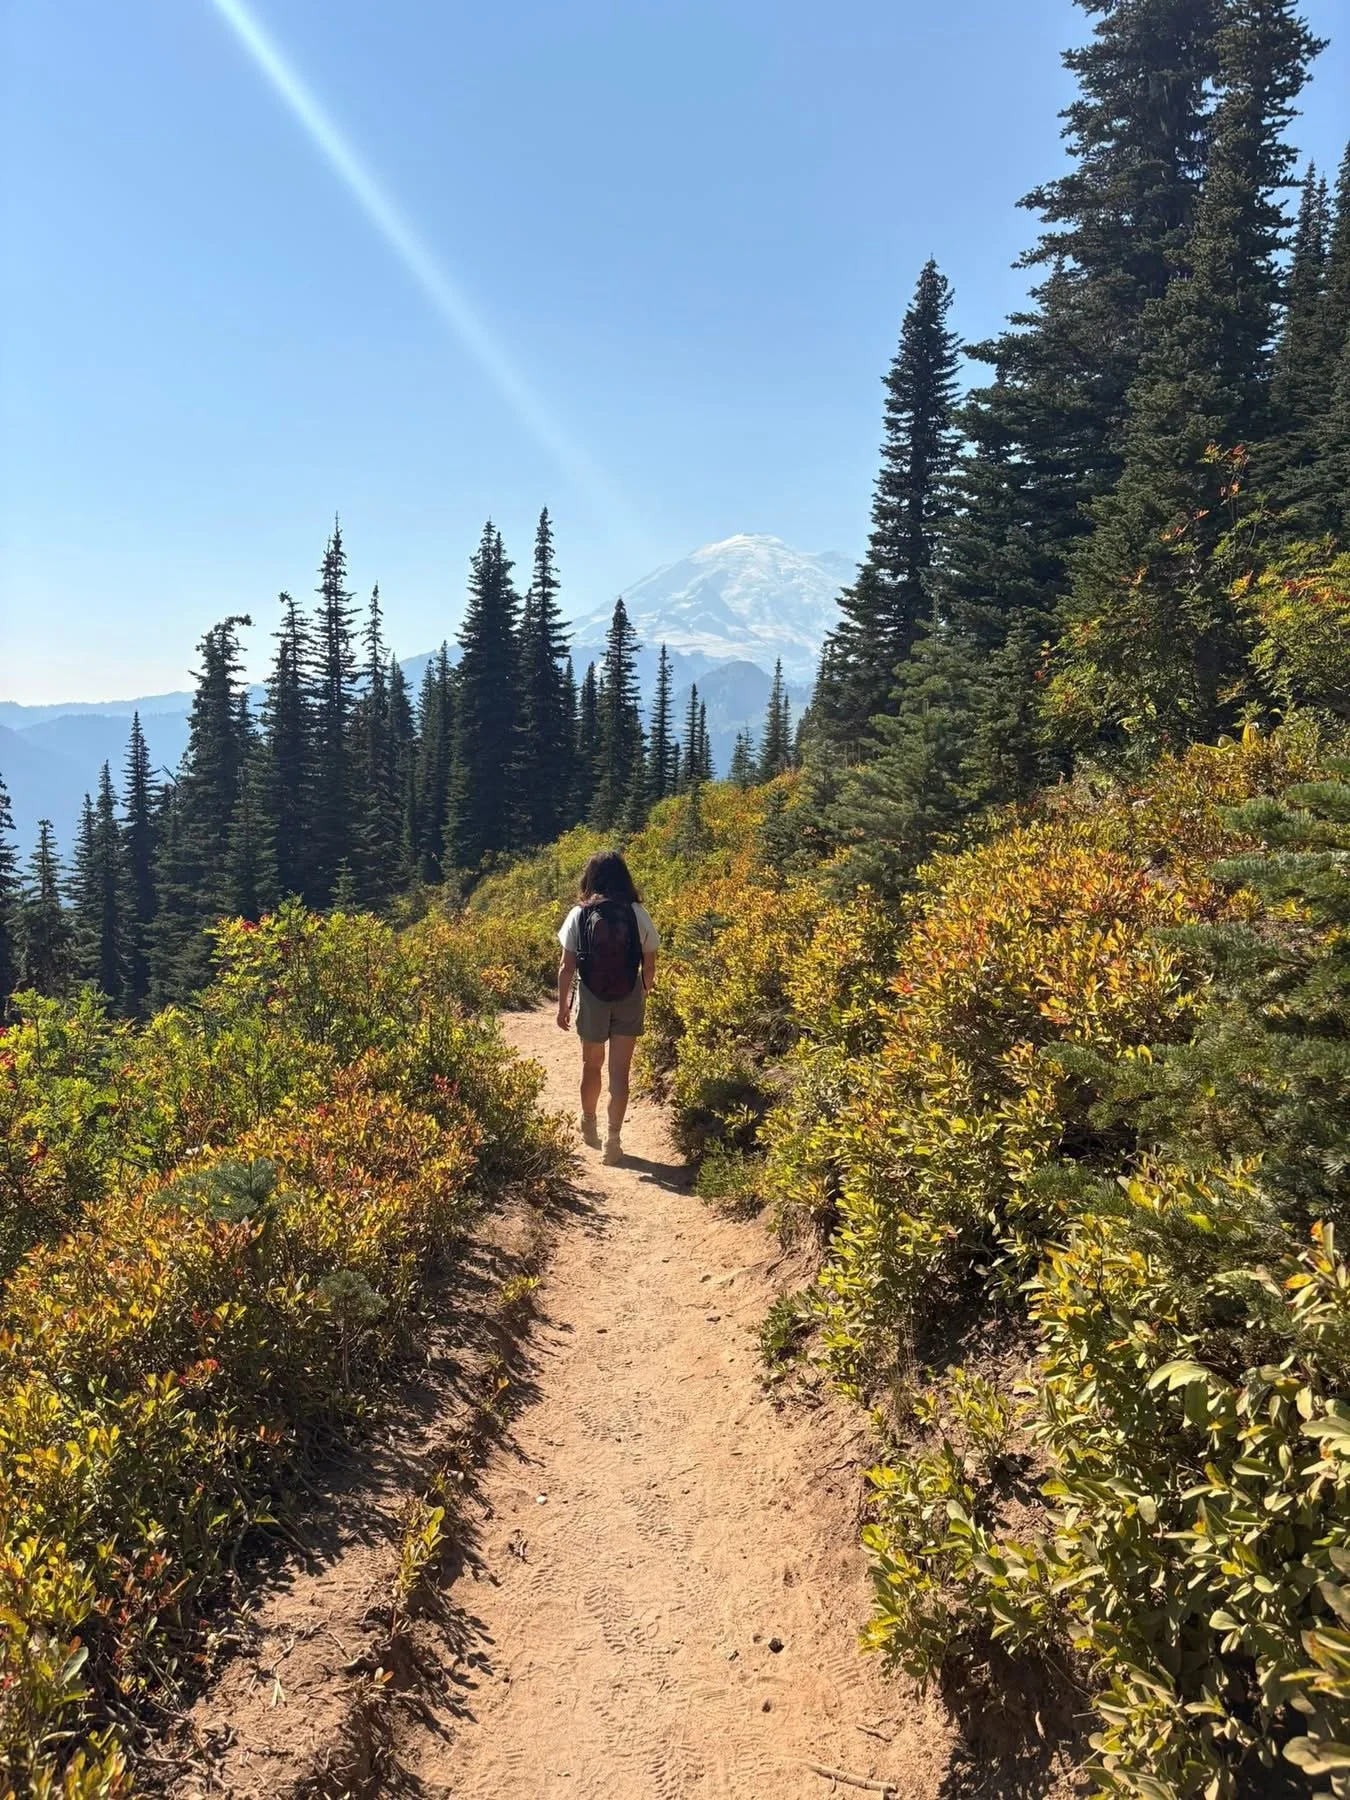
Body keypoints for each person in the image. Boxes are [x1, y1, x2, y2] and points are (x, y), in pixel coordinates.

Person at [556, 850, 659, 1165]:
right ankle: (613, 1140)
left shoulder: (580, 913)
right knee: (620, 1073)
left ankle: (589, 1123)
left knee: (592, 1065)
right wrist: (643, 987)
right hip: (628, 995)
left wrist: (562, 1006)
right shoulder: (636, 912)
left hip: (591, 996)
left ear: (591, 877)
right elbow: (650, 961)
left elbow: (566, 966)